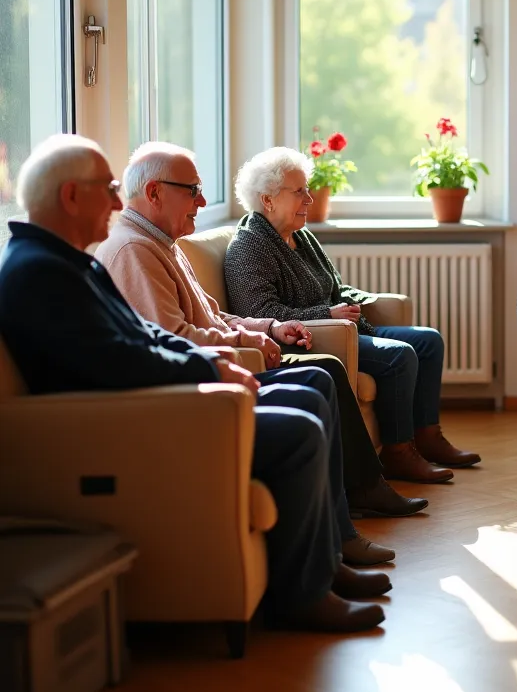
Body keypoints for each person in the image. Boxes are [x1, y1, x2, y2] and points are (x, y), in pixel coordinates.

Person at [0, 135, 389, 633]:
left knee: (305, 395)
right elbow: (118, 362)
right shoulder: (42, 272)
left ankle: (325, 563)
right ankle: (303, 595)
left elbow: (146, 337)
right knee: (300, 429)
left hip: (153, 406)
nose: (119, 203)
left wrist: (217, 358)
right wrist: (211, 368)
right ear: (71, 196)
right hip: (135, 427)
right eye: (110, 189)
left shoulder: (68, 262)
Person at [94, 141, 427, 561]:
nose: (201, 201)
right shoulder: (134, 251)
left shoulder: (162, 244)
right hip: (213, 378)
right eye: (192, 190)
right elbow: (176, 336)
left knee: (324, 372)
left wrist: (268, 327)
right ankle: (345, 525)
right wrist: (246, 341)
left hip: (231, 358)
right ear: (155, 192)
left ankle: (346, 521)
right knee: (322, 373)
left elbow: (214, 316)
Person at [223, 147, 479, 484]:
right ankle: (399, 453)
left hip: (343, 326)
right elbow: (261, 314)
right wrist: (326, 313)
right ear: (267, 199)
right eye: (299, 191)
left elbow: (334, 286)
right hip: (313, 339)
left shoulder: (300, 236)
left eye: (307, 190)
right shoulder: (248, 247)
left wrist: (364, 300)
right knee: (399, 355)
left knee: (429, 341)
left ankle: (428, 437)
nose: (309, 199)